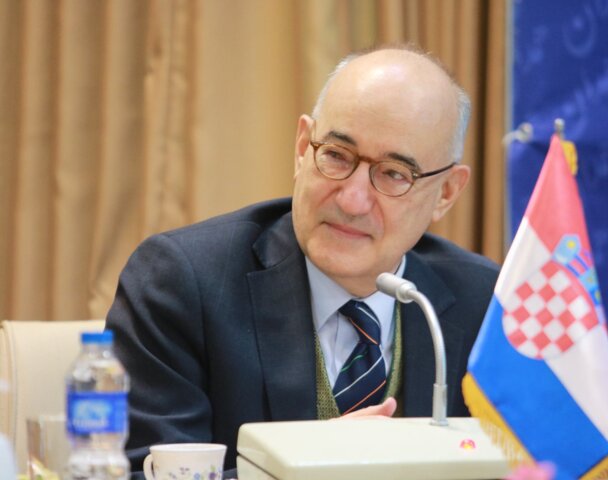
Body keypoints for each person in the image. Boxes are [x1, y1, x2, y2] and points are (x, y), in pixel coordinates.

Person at [106, 44, 499, 472]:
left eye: (393, 174)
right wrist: (311, 463)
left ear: (446, 193)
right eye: (336, 155)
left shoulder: (489, 306)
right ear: (302, 149)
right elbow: (142, 472)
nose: (351, 200)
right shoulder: (184, 282)